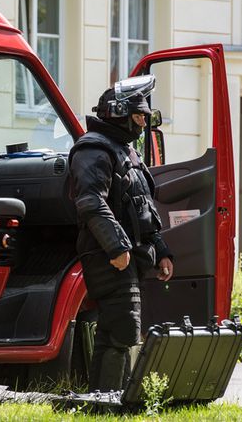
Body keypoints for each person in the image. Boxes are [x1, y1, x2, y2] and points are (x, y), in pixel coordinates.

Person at [68, 74, 174, 392]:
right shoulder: (93, 150)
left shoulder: (125, 152)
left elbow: (143, 208)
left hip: (126, 255)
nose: (143, 123)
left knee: (116, 328)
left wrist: (162, 250)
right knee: (124, 327)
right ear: (120, 114)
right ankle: (111, 399)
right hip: (105, 254)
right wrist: (115, 247)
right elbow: (90, 202)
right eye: (139, 116)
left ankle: (103, 398)